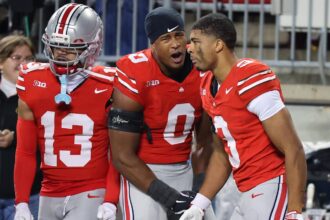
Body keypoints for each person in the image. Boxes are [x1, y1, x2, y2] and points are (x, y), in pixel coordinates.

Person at [182, 13, 308, 220]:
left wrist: (295, 209)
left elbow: (293, 147)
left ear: (218, 45)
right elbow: (223, 155)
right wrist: (199, 203)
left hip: (270, 184)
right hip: (246, 188)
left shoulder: (250, 78)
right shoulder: (207, 85)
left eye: (196, 42)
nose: (190, 48)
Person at [13, 3, 119, 220]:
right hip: (48, 190)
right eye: (56, 46)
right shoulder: (31, 80)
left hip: (90, 190)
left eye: (70, 49)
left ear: (92, 48)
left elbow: (119, 154)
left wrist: (111, 199)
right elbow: (25, 150)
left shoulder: (110, 85)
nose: (60, 54)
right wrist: (21, 201)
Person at [108, 6, 215, 220]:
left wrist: (197, 189)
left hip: (185, 170)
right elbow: (121, 156)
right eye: (166, 38)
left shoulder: (202, 69)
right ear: (153, 44)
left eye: (178, 35)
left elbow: (205, 143)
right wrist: (169, 198)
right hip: (143, 175)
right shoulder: (135, 71)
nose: (175, 43)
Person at [0, 34, 41, 220]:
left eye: (28, 58)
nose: (23, 63)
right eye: (16, 57)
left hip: (29, 198)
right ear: (1, 63)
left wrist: (16, 137)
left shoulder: (41, 96)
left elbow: (51, 135)